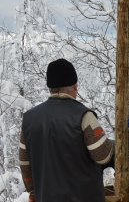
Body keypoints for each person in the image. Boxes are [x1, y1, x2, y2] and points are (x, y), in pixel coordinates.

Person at [19, 58, 114, 202]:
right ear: (74, 87)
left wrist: (34, 191)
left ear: (50, 88)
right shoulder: (84, 116)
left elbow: (25, 164)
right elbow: (103, 155)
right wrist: (114, 144)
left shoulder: (29, 120)